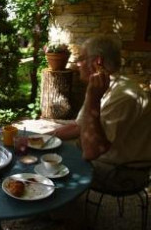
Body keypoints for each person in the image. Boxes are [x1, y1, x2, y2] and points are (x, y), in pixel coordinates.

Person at [53, 35, 151, 188]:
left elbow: (91, 152)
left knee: (50, 162)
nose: (78, 64)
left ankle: (48, 206)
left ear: (97, 62)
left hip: (122, 172)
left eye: (82, 58)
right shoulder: (102, 87)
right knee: (49, 151)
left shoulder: (123, 95)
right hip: (107, 161)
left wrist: (92, 99)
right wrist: (42, 138)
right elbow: (79, 127)